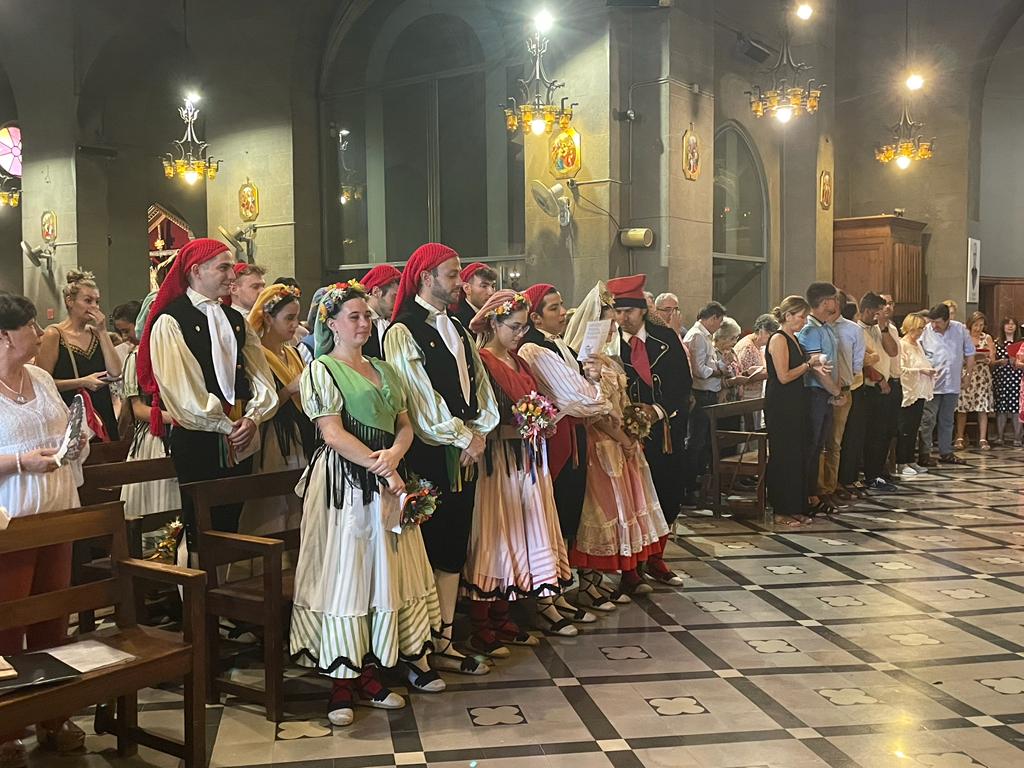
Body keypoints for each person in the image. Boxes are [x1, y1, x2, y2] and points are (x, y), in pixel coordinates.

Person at [289, 281, 443, 728]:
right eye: (353, 316)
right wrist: (388, 471)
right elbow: (332, 434)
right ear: (331, 324)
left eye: (366, 315)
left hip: (386, 476)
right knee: (350, 570)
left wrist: (397, 454)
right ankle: (342, 678)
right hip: (346, 479)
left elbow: (405, 424)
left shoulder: (384, 367)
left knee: (391, 569)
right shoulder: (323, 369)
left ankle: (384, 664)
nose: (363, 322)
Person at [382, 242, 499, 676]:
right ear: (426, 277)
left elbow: (481, 386)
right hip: (431, 455)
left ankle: (445, 637)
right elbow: (418, 399)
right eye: (451, 275)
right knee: (424, 551)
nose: (458, 282)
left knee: (453, 546)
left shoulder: (460, 327)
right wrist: (462, 436)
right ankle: (418, 649)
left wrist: (481, 430)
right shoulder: (403, 329)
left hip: (466, 451)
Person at [136, 238, 278, 564]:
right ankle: (198, 604)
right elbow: (182, 392)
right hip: (199, 437)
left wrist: (254, 418)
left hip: (241, 434)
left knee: (232, 520)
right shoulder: (171, 321)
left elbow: (260, 378)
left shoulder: (235, 319)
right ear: (196, 270)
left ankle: (229, 595)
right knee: (200, 522)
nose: (232, 275)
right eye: (224, 267)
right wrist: (225, 425)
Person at [0, 292, 90, 763]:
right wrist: (19, 461)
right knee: (7, 626)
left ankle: (53, 716)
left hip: (58, 512)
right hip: (10, 524)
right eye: (30, 326)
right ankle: (6, 727)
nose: (38, 333)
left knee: (53, 620)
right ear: (2, 335)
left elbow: (67, 430)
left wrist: (71, 446)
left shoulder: (39, 376)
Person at [461, 290, 576, 652]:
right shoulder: (481, 361)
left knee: (521, 538)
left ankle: (504, 616)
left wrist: (543, 423)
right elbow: (482, 418)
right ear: (494, 322)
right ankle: (484, 623)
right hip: (499, 463)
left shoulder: (519, 362)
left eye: (525, 327)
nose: (520, 334)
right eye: (513, 327)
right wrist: (526, 426)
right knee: (496, 536)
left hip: (525, 459)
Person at [565, 283, 670, 597]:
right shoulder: (586, 363)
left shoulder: (609, 361)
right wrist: (623, 437)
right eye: (609, 323)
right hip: (602, 443)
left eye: (614, 323)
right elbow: (594, 411)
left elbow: (620, 401)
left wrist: (633, 427)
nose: (614, 328)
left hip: (622, 441)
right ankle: (590, 580)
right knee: (601, 511)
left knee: (627, 508)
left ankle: (630, 571)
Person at [518, 283, 612, 613]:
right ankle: (548, 598)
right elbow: (580, 399)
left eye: (562, 306)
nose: (563, 313)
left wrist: (594, 386)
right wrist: (595, 390)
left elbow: (589, 395)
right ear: (535, 318)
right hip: (556, 440)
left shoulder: (560, 346)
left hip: (574, 436)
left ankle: (562, 589)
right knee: (555, 514)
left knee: (570, 512)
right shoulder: (534, 349)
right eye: (554, 308)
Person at [611, 274, 691, 583]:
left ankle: (657, 556)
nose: (623, 318)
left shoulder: (664, 337)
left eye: (628, 312)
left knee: (666, 490)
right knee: (631, 499)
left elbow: (683, 384)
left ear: (642, 310)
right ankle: (631, 567)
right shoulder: (610, 341)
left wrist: (656, 412)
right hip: (622, 433)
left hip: (663, 430)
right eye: (618, 312)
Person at [241, 284, 315, 537]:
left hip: (299, 433)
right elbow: (259, 402)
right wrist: (290, 389)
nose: (295, 325)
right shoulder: (255, 354)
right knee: (271, 508)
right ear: (269, 318)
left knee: (297, 505)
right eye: (289, 318)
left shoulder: (293, 352)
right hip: (274, 434)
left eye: (297, 317)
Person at [765, 295, 831, 525]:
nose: (803, 321)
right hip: (782, 404)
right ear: (788, 315)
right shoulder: (778, 339)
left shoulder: (793, 338)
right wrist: (808, 365)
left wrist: (814, 362)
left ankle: (795, 506)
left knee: (798, 455)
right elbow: (783, 376)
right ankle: (781, 510)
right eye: (800, 317)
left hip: (796, 401)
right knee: (784, 456)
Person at [36, 270, 123, 441]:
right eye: (88, 301)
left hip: (102, 411)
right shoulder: (54, 334)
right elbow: (43, 383)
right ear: (70, 301)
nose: (94, 307)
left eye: (97, 302)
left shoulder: (97, 334)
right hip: (71, 411)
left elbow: (115, 371)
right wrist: (83, 382)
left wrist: (103, 331)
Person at [119, 336, 179, 522]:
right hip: (154, 437)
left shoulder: (181, 349)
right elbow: (137, 409)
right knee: (156, 498)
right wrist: (177, 417)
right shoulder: (137, 356)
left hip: (182, 432)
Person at [797, 283, 842, 515]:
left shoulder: (825, 327)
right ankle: (808, 494)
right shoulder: (810, 330)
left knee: (821, 446)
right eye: (834, 299)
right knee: (812, 445)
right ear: (826, 302)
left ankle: (816, 491)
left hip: (824, 394)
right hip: (814, 394)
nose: (837, 303)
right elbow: (816, 368)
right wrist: (836, 391)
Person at [919, 302, 976, 465]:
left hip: (952, 383)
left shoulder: (959, 329)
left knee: (947, 419)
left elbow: (970, 353)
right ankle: (924, 453)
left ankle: (946, 452)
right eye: (932, 322)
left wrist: (968, 375)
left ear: (946, 320)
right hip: (932, 383)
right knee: (928, 420)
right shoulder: (926, 330)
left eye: (937, 322)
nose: (934, 325)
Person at [682, 301, 727, 503]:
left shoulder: (704, 336)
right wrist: (718, 371)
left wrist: (719, 366)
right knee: (696, 442)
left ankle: (702, 485)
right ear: (712, 318)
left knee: (705, 442)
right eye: (719, 321)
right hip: (701, 395)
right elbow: (699, 370)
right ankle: (690, 487)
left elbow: (708, 362)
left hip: (709, 394)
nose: (720, 325)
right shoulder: (697, 336)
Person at [827, 294, 867, 501]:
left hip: (843, 388)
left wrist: (842, 382)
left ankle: (836, 484)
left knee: (837, 440)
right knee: (819, 442)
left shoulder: (853, 329)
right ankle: (820, 487)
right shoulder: (816, 327)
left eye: (831, 300)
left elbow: (857, 363)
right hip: (817, 390)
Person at [896, 313, 936, 477]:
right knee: (905, 428)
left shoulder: (917, 345)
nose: (920, 332)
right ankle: (900, 462)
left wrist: (929, 370)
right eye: (919, 328)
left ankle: (910, 459)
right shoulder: (902, 344)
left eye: (922, 329)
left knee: (914, 428)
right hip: (908, 392)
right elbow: (901, 369)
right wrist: (920, 370)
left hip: (919, 391)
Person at [954, 311, 995, 450]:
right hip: (967, 374)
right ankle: (959, 437)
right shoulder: (964, 337)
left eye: (981, 325)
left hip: (982, 376)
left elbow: (992, 359)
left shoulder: (987, 338)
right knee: (962, 407)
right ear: (970, 324)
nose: (978, 328)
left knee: (982, 408)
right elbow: (958, 356)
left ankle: (983, 438)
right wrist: (970, 358)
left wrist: (987, 359)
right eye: (976, 325)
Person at [734, 313, 778, 429]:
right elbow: (743, 375)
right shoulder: (747, 347)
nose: (770, 340)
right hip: (746, 395)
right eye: (769, 336)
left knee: (755, 428)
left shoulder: (759, 346)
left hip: (755, 395)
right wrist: (771, 373)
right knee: (748, 429)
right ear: (761, 330)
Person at [992, 317, 1023, 446]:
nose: (1010, 326)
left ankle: (1017, 437)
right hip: (1002, 377)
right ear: (1002, 326)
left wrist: (1015, 361)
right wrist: (1000, 362)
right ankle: (1000, 436)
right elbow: (992, 361)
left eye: (1013, 324)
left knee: (1016, 407)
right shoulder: (997, 342)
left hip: (1017, 377)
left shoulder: (1021, 343)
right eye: (1007, 324)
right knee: (1001, 407)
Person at [359, 264, 402, 359]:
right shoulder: (357, 323)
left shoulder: (392, 322)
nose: (398, 302)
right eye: (395, 296)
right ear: (376, 291)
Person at [452, 262, 497, 329]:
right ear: (467, 289)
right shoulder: (458, 321)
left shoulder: (497, 314)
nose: (491, 292)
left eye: (493, 286)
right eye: (484, 286)